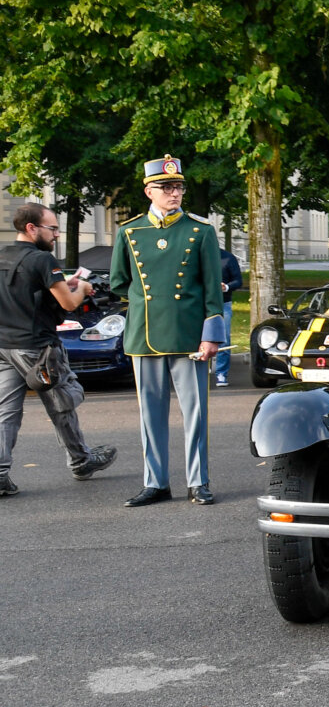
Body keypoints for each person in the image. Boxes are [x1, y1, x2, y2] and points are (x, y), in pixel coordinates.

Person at [110, 155, 226, 505]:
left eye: (178, 187)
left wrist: (211, 335)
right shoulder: (129, 231)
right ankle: (156, 483)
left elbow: (212, 288)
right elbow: (119, 282)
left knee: (196, 413)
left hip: (190, 334)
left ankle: (198, 482)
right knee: (150, 416)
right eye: (166, 187)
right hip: (144, 335)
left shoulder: (200, 230)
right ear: (149, 191)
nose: (174, 193)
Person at [0, 202, 117, 497]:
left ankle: (0, 473)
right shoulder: (42, 259)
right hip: (37, 349)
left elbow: (22, 290)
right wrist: (83, 289)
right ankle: (81, 461)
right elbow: (68, 304)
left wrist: (63, 284)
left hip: (4, 346)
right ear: (32, 228)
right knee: (63, 403)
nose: (55, 234)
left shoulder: (2, 255)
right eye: (51, 228)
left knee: (6, 412)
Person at [214, 243, 242, 387]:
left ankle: (221, 373)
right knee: (195, 338)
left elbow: (238, 281)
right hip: (199, 304)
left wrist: (226, 287)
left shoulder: (227, 258)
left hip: (223, 303)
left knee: (223, 339)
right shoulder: (196, 256)